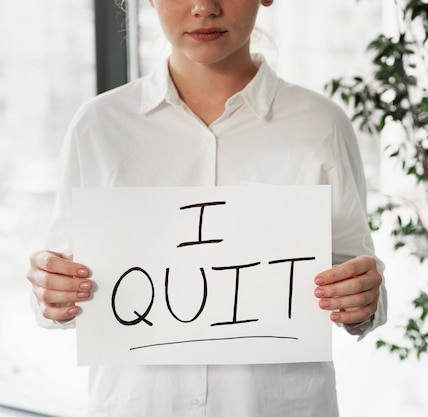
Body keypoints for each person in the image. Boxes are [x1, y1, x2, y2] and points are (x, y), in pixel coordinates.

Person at [26, 0, 387, 416]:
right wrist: (51, 288)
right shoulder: (98, 125)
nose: (204, 7)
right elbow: (60, 295)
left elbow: (358, 277)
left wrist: (362, 296)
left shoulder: (320, 124)